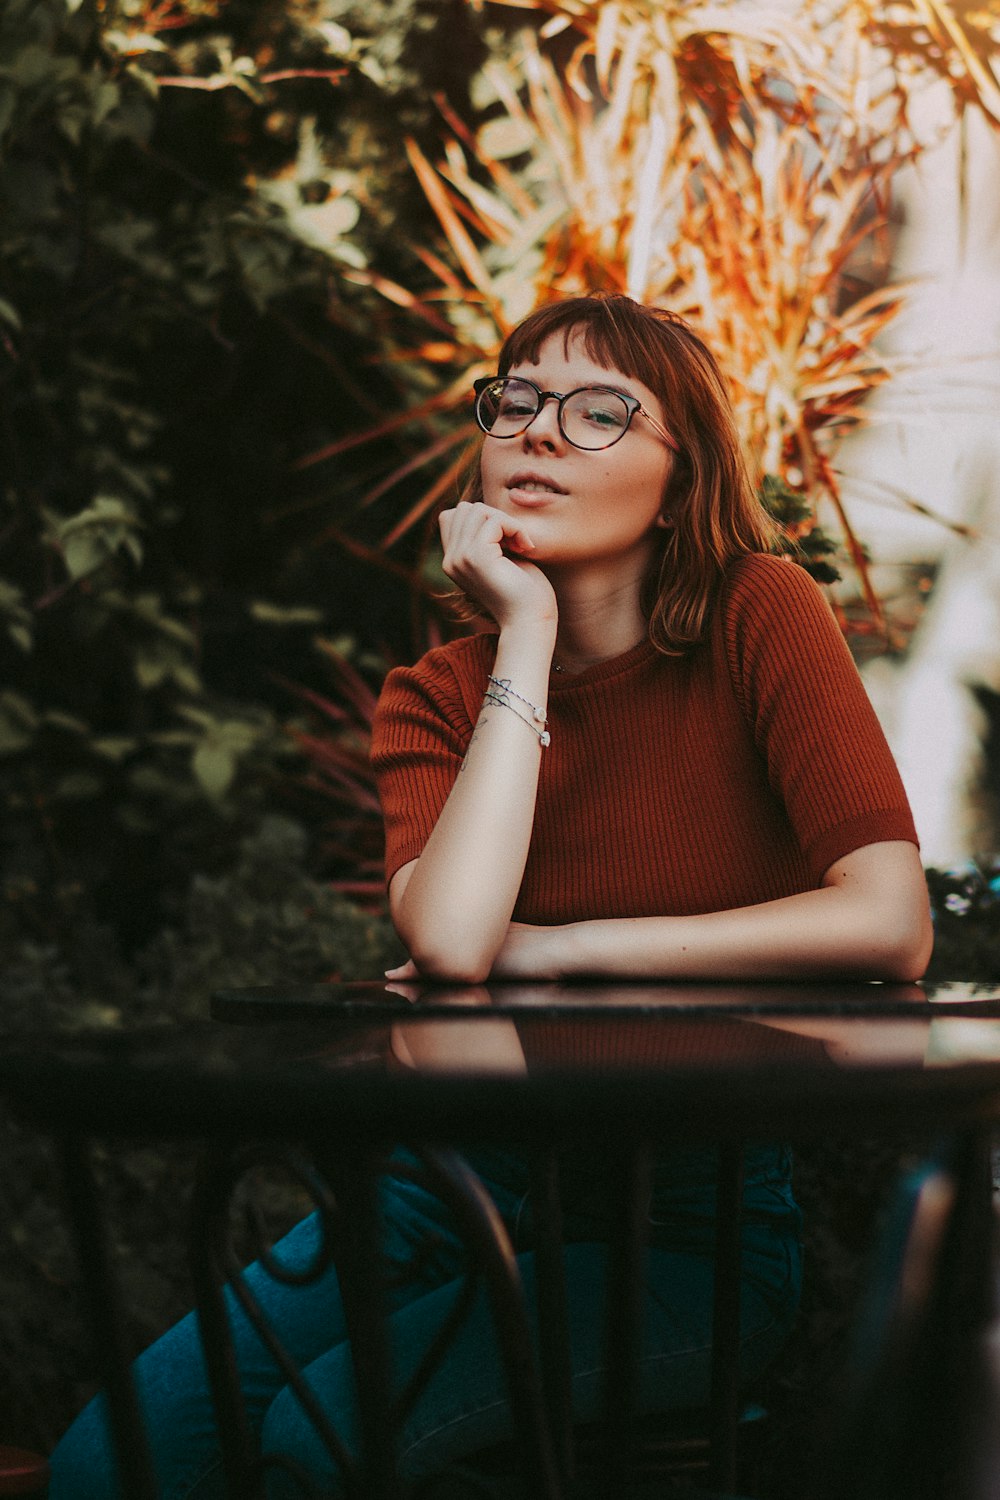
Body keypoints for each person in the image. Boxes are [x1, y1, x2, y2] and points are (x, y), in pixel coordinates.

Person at [48, 295, 932, 1497]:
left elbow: (887, 920)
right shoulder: (434, 692)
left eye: (598, 410)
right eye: (515, 403)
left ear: (679, 486)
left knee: (322, 1453)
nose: (538, 432)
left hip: (682, 1232)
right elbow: (457, 944)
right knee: (108, 1463)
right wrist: (523, 640)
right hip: (440, 1195)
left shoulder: (759, 615)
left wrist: (570, 952)